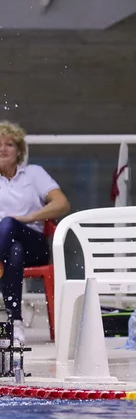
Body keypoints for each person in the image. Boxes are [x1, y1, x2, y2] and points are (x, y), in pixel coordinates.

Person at [0, 121, 70, 345]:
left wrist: (28, 218)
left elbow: (62, 204)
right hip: (8, 248)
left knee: (10, 225)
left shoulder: (33, 174)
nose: (2, 149)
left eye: (9, 144)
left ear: (19, 150)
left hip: (35, 243)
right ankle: (15, 322)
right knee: (14, 251)